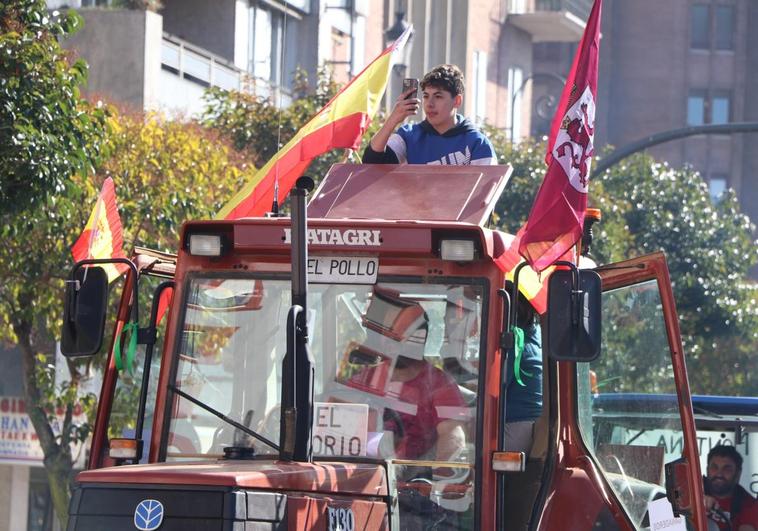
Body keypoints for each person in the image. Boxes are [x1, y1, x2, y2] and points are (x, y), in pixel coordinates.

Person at [348, 288, 468, 462]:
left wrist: (418, 472)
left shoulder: (440, 384)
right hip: (360, 473)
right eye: (387, 339)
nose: (390, 346)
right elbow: (337, 421)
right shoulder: (363, 378)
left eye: (396, 341)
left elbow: (454, 438)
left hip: (411, 480)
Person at [363, 64, 497, 166]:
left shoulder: (478, 143)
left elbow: (484, 196)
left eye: (438, 97)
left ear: (457, 101)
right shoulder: (408, 135)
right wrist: (393, 120)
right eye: (426, 96)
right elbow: (371, 161)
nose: (429, 104)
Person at [503, 287, 543, 454]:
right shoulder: (535, 332)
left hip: (514, 428)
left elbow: (495, 387)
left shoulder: (514, 339)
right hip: (530, 426)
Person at [704, 445, 758, 531]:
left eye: (727, 469)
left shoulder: (749, 505)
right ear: (707, 470)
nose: (719, 474)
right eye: (714, 467)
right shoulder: (691, 491)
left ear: (738, 474)